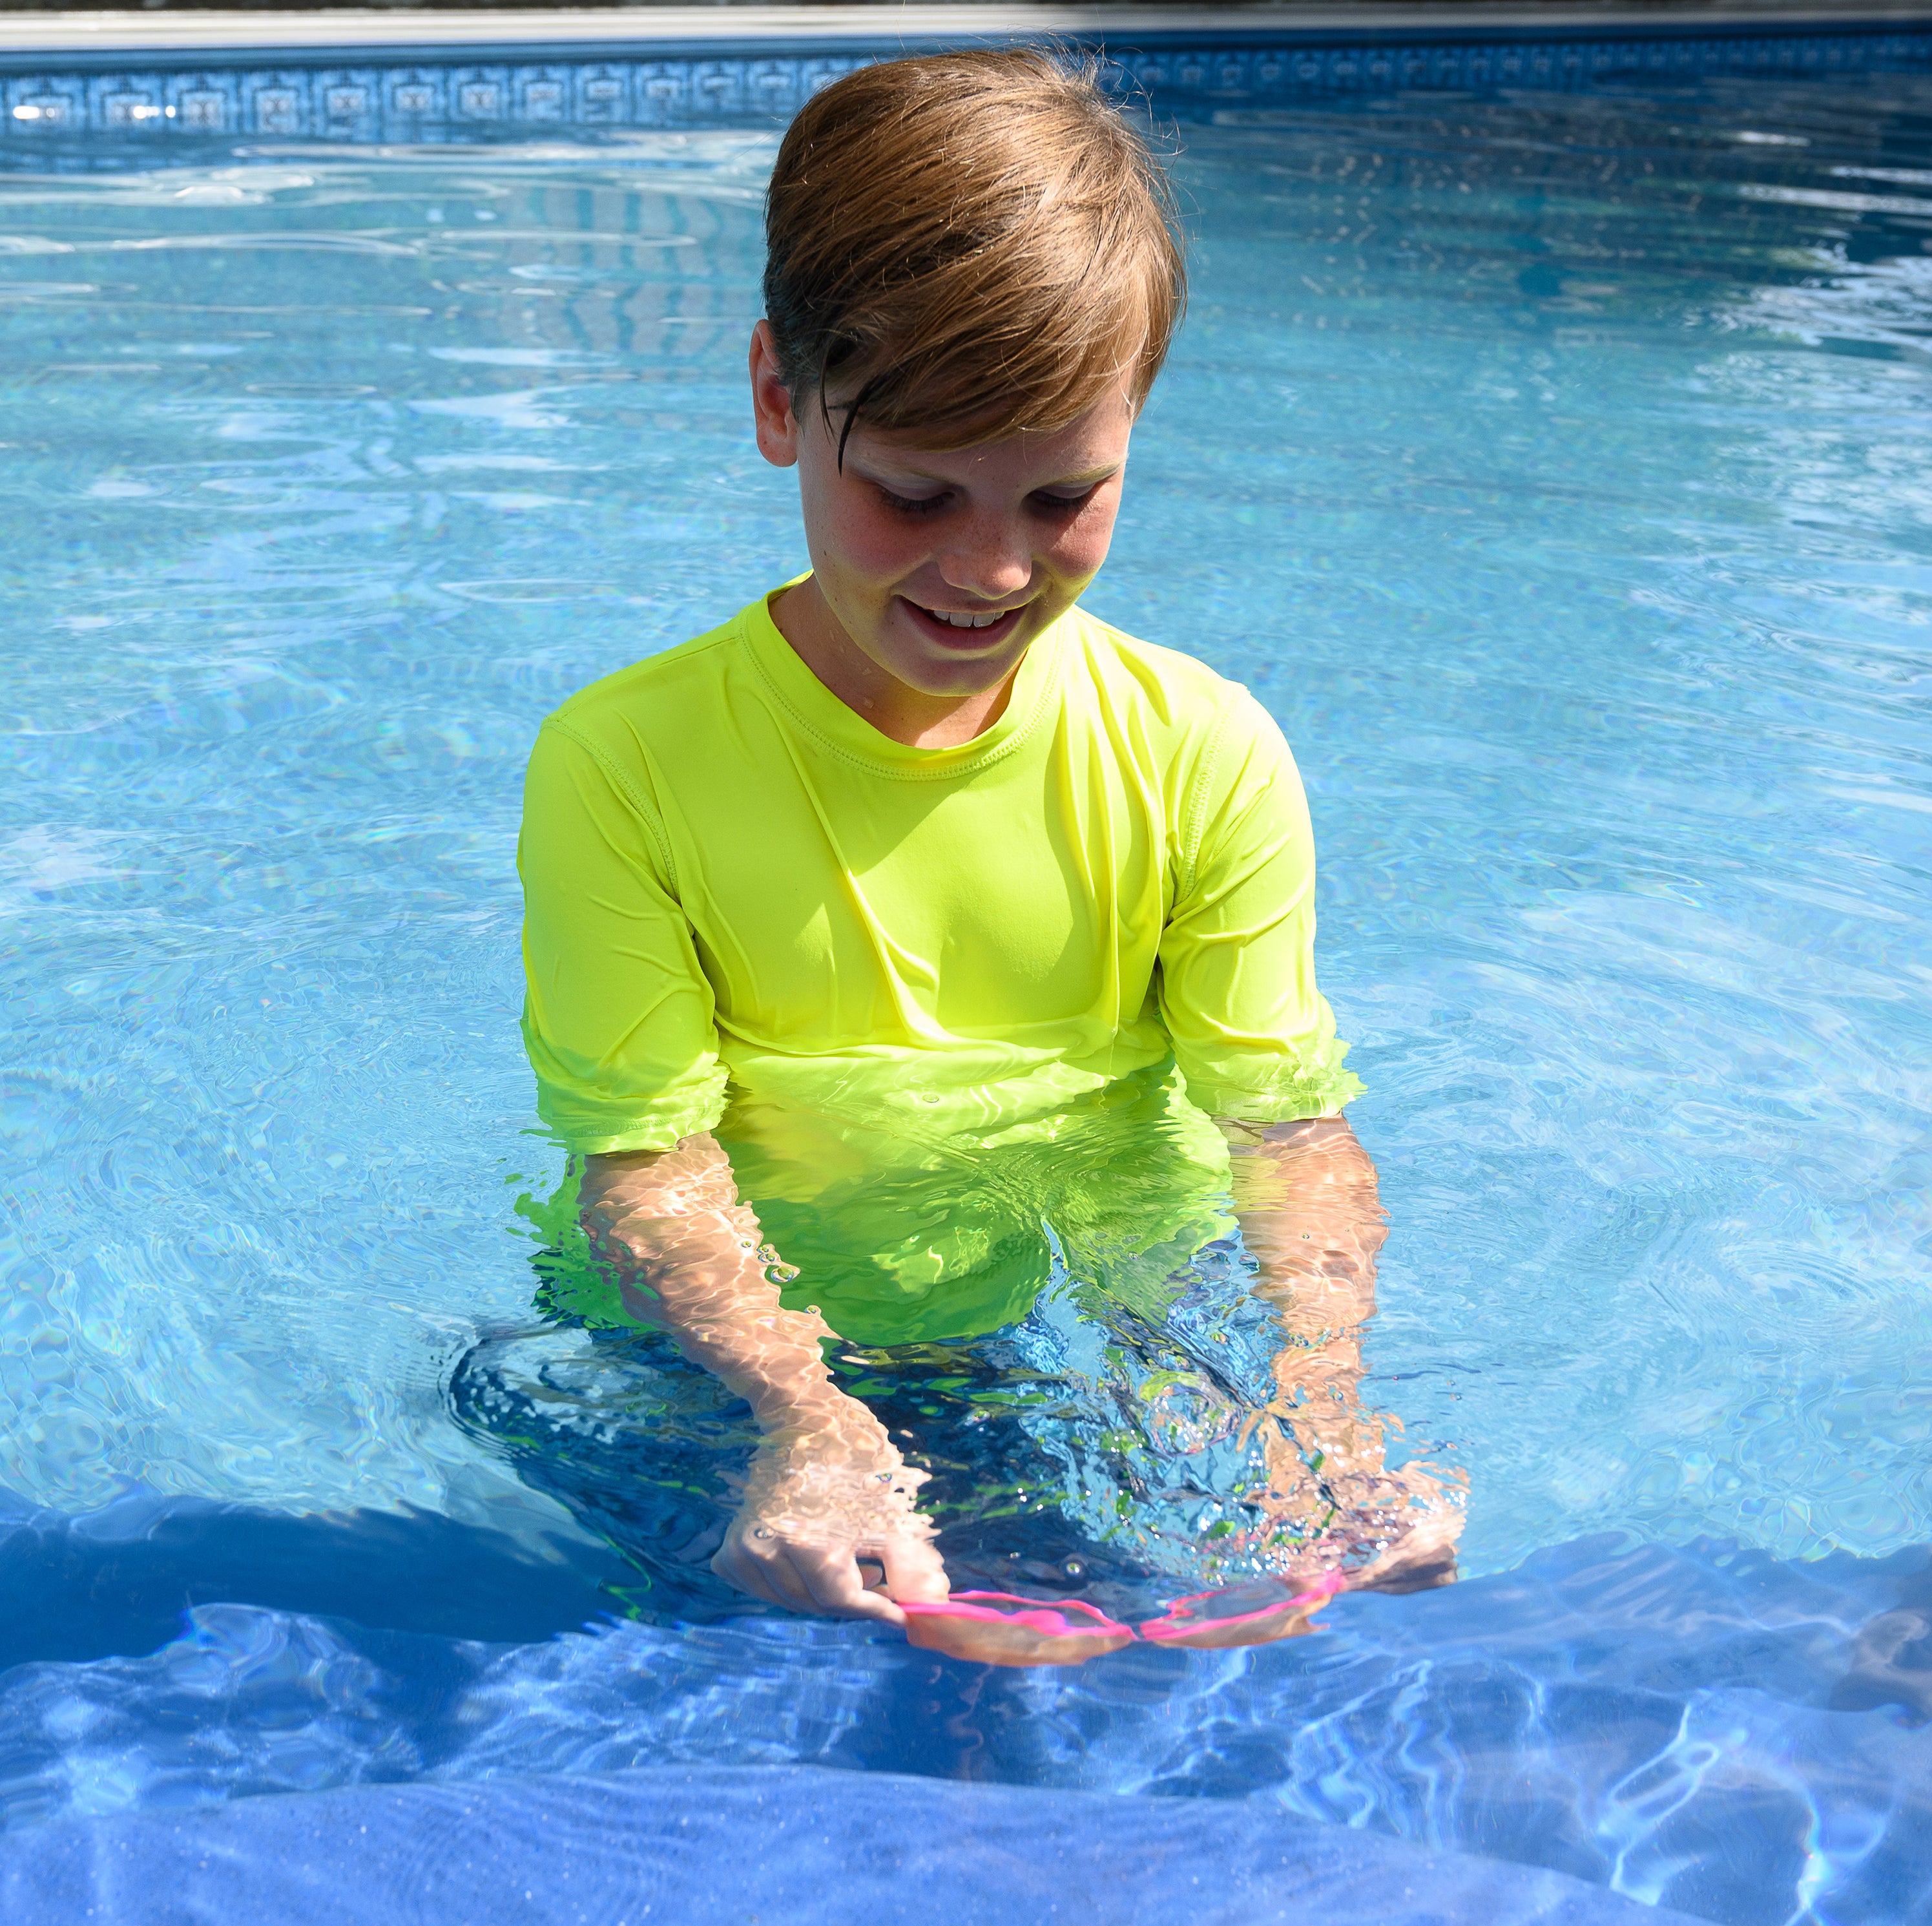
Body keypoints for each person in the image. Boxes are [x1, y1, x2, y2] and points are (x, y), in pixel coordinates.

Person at [515, 48, 1459, 1660]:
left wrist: (1320, 1415)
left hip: (1096, 1316)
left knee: (1220, 1632)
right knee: (745, 1649)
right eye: (913, 493)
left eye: (1065, 494)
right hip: (728, 1336)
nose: (992, 566)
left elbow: (1288, 1129)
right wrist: (802, 1418)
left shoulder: (1200, 749)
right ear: (774, 401)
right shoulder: (626, 761)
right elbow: (647, 1165)